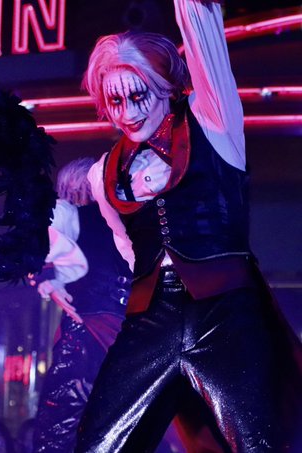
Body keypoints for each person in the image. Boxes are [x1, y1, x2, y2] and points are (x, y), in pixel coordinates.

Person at [75, 0, 302, 451]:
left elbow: (204, 36)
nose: (127, 112)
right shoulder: (103, 173)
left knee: (260, 444)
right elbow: (129, 249)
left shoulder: (212, 121)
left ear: (165, 87)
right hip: (149, 320)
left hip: (227, 312)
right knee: (97, 444)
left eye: (138, 96)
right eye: (115, 100)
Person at [33, 158, 130, 453]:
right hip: (93, 325)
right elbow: (42, 250)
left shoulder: (122, 221)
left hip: (120, 326)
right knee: (72, 409)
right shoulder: (69, 214)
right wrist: (50, 279)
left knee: (103, 412)